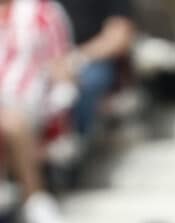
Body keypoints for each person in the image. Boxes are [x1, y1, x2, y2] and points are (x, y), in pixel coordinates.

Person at [0, 0, 74, 223]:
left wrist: (63, 93)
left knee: (12, 121)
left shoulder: (43, 11)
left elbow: (58, 60)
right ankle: (34, 201)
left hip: (28, 101)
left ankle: (36, 202)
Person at [53, 0, 135, 137]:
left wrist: (77, 58)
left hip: (94, 60)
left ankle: (77, 139)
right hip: (49, 57)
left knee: (85, 85)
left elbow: (120, 36)